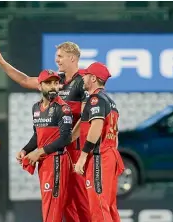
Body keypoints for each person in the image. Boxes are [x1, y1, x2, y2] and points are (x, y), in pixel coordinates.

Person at [0, 41, 90, 221]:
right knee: (66, 204)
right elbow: (24, 80)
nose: (57, 60)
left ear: (72, 58)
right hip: (58, 150)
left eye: (60, 56)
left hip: (74, 150)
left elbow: (86, 118)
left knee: (81, 202)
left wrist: (68, 139)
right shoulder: (56, 80)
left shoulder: (82, 81)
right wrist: (0, 61)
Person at [16, 69, 73, 222]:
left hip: (57, 160)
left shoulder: (63, 108)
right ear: (40, 86)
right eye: (48, 83)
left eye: (55, 83)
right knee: (50, 204)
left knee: (52, 207)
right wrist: (26, 149)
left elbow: (66, 138)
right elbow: (37, 135)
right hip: (44, 162)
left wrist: (40, 151)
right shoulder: (36, 108)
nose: (53, 86)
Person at [74, 62, 125, 222]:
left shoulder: (95, 99)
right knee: (109, 207)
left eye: (86, 75)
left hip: (99, 157)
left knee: (98, 207)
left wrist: (82, 157)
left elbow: (96, 127)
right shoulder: (109, 100)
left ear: (94, 78)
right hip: (109, 156)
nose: (83, 78)